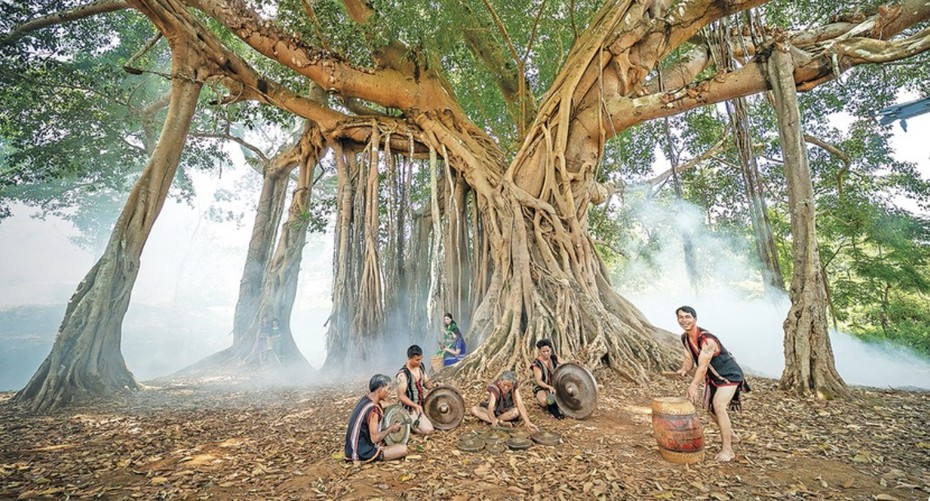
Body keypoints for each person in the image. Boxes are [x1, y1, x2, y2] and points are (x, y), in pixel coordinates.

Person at [674, 305, 750, 462]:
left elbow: (703, 366)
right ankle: (732, 435)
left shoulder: (707, 340)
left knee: (719, 406)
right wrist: (683, 369)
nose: (684, 320)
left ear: (695, 319)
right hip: (713, 377)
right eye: (680, 317)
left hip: (729, 374)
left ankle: (728, 450)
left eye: (687, 317)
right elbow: (689, 358)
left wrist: (694, 385)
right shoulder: (685, 337)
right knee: (709, 409)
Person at [345, 374, 409, 462]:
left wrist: (398, 406)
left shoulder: (367, 399)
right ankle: (375, 455)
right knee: (403, 449)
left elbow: (384, 405)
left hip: (350, 448)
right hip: (361, 452)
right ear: (380, 390)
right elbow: (374, 439)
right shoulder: (373, 411)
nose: (389, 392)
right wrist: (391, 429)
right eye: (388, 389)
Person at [470, 371, 538, 431]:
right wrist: (493, 420)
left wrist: (528, 422)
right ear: (500, 382)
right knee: (474, 410)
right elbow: (490, 408)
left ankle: (497, 421)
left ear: (512, 385)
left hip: (505, 412)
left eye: (509, 386)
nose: (506, 388)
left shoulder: (514, 385)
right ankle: (500, 422)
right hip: (493, 412)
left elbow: (520, 404)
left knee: (516, 412)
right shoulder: (494, 387)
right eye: (504, 385)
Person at [396, 345, 440, 435]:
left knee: (439, 420)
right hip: (409, 409)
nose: (420, 362)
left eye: (421, 359)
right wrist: (415, 406)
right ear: (409, 358)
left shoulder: (421, 367)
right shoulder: (403, 374)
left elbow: (426, 383)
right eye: (417, 360)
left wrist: (434, 385)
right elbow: (401, 396)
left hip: (420, 405)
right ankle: (407, 423)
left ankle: (416, 422)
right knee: (429, 431)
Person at [530, 338, 564, 418]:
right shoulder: (536, 364)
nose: (546, 353)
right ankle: (550, 407)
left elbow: (565, 364)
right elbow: (539, 381)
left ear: (550, 349)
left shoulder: (554, 357)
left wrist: (574, 362)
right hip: (542, 387)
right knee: (544, 401)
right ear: (539, 351)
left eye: (548, 351)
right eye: (543, 352)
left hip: (554, 385)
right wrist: (548, 387)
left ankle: (555, 402)